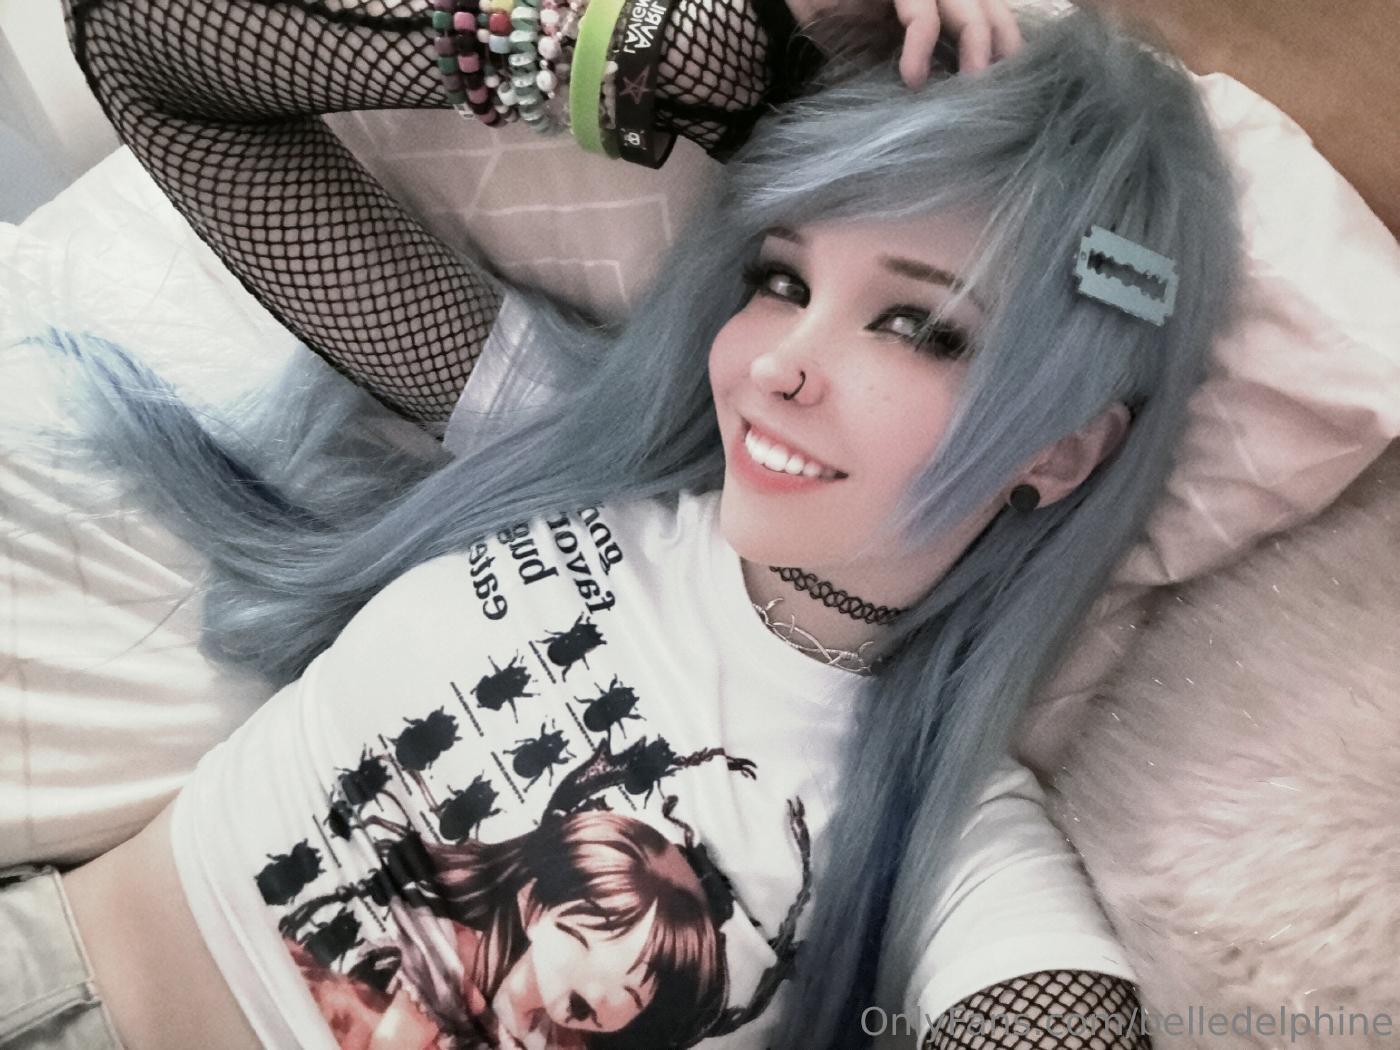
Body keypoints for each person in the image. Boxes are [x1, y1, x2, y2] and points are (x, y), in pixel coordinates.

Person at [0, 0, 1244, 1047]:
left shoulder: (941, 844)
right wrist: (649, 50)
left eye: (917, 326)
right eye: (781, 281)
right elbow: (145, 58)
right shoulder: (570, 445)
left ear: (1056, 450)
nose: (776, 365)